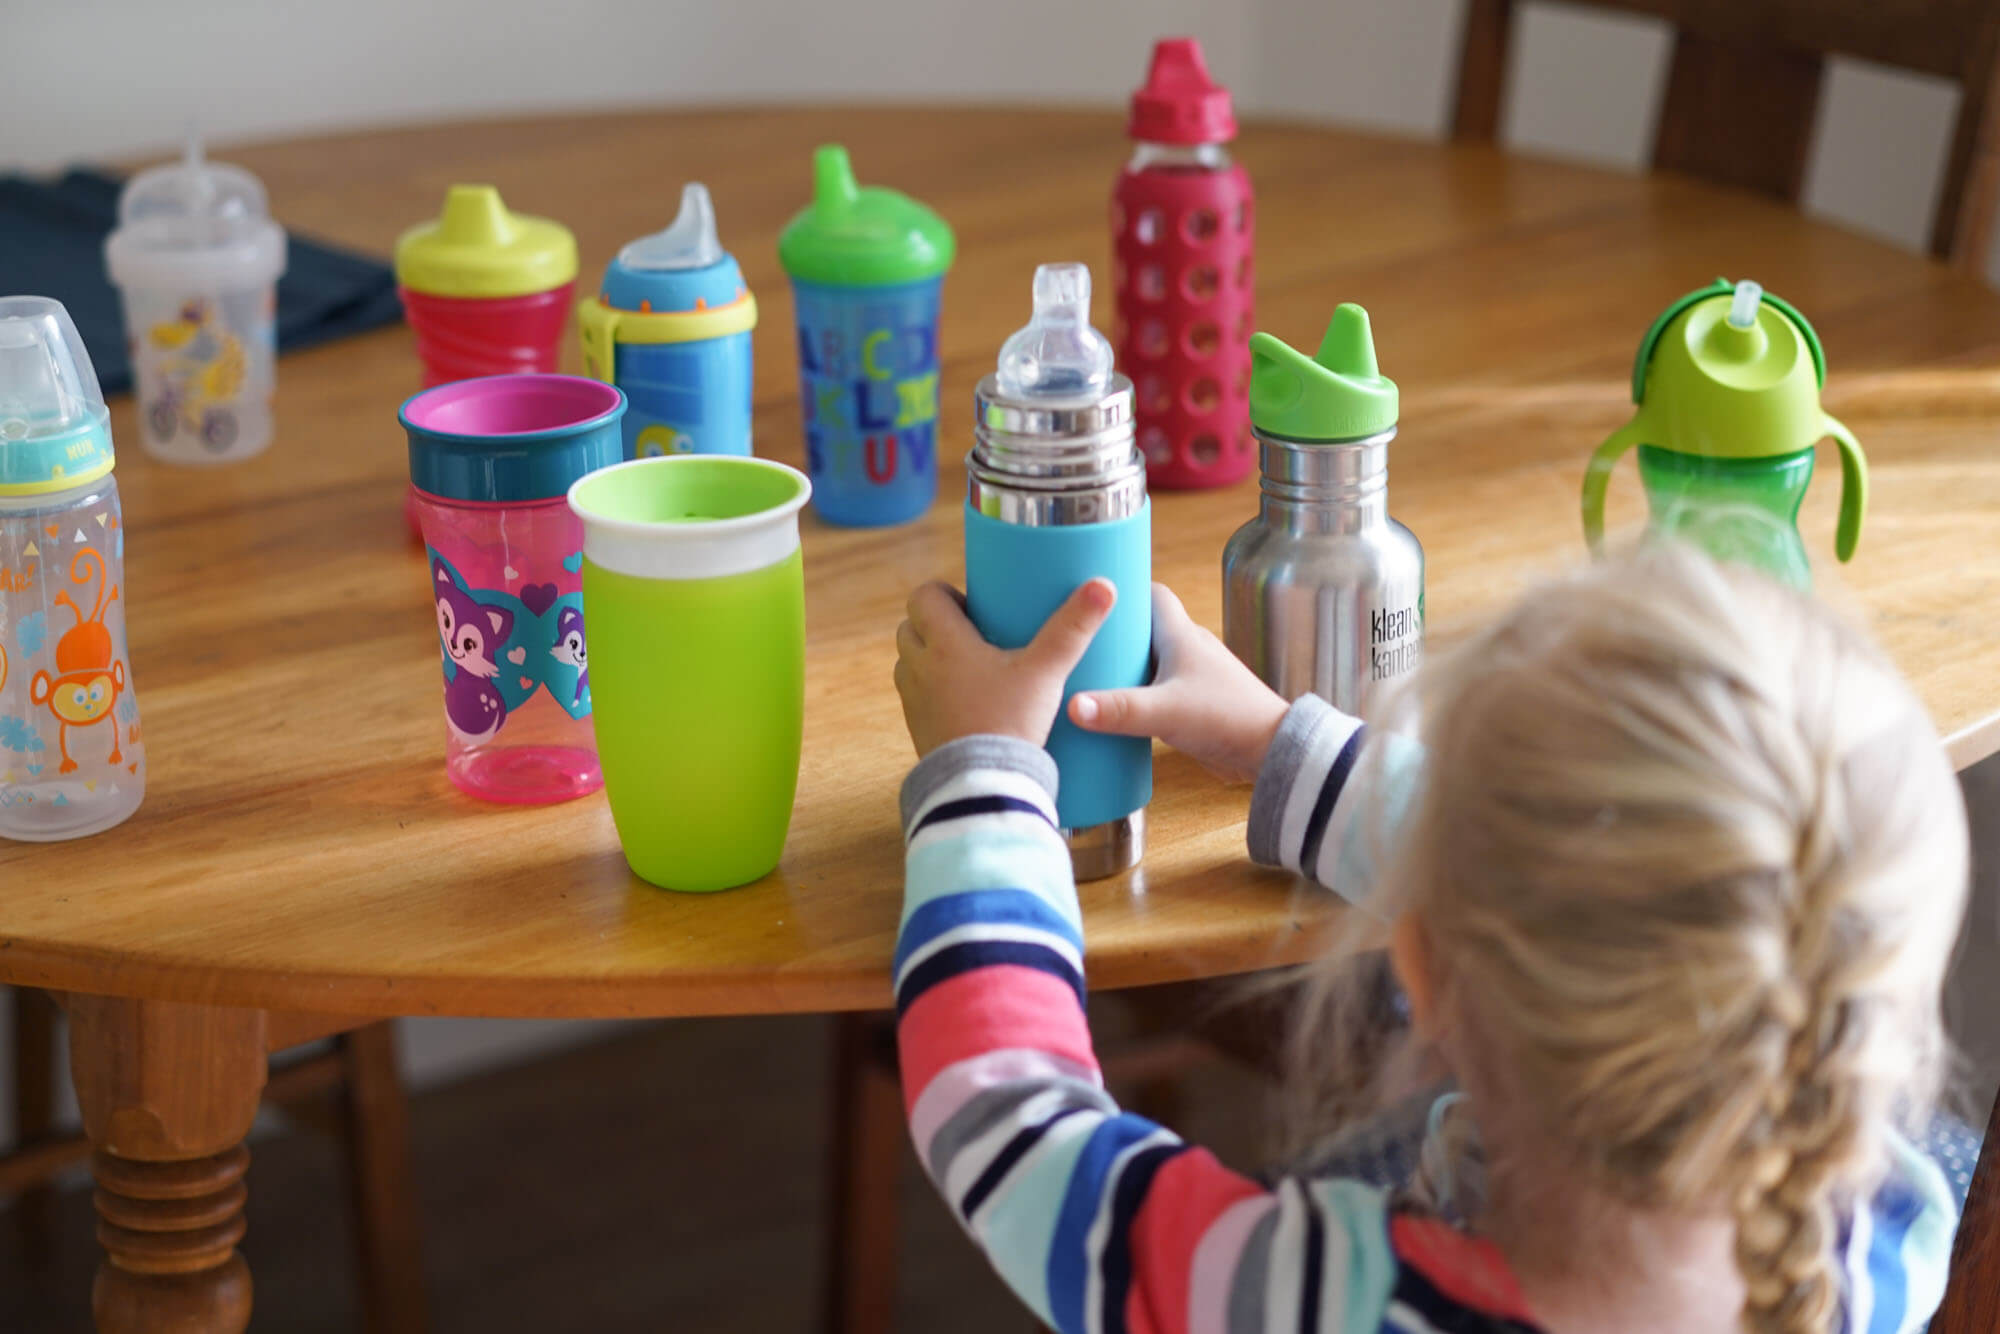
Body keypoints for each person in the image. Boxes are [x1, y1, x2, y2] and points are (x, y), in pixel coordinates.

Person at [890, 544, 1967, 1334]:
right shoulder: (1877, 1240)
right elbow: (1633, 897)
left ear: (1422, 969)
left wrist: (981, 774)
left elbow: (1011, 1118)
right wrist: (1283, 747)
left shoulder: (1311, 1296)